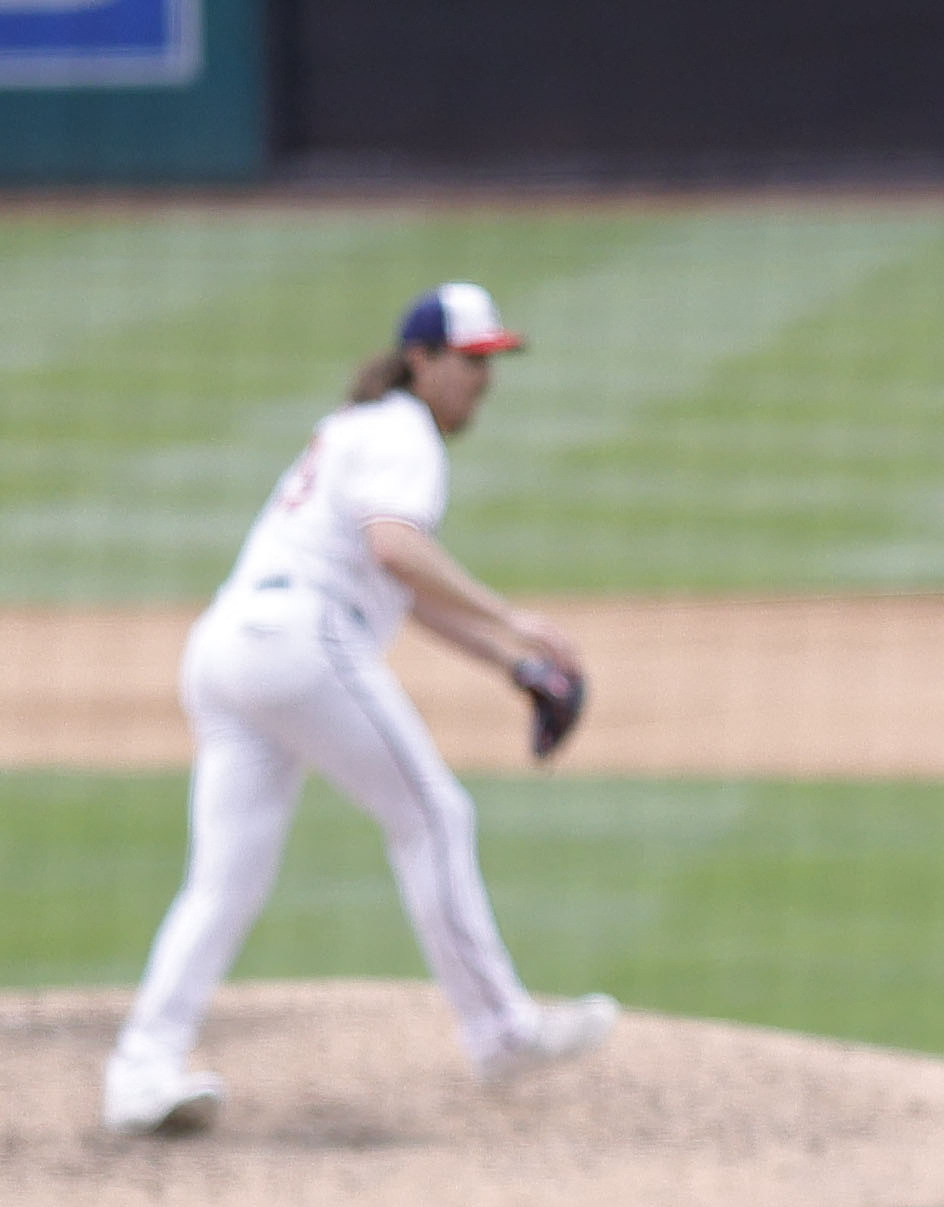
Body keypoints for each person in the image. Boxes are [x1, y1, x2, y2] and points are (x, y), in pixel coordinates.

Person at [106, 282, 615, 1135]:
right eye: (469, 362)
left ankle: (139, 1072)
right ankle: (501, 1030)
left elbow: (398, 587)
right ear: (421, 361)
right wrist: (514, 619)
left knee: (226, 880)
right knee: (433, 816)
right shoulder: (405, 432)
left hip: (230, 648)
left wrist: (508, 661)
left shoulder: (356, 431)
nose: (483, 381)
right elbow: (395, 549)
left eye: (491, 363)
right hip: (300, 643)